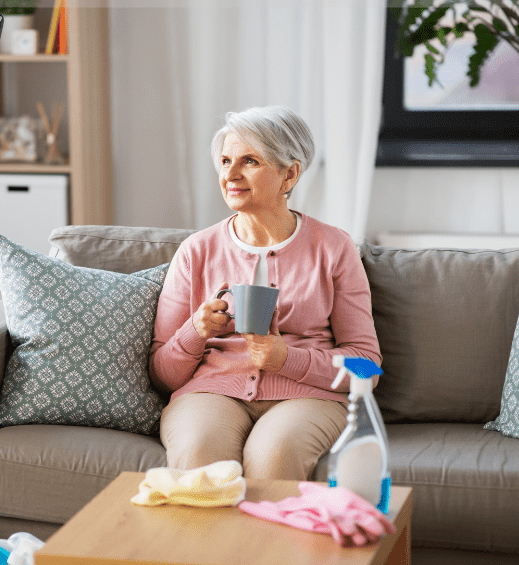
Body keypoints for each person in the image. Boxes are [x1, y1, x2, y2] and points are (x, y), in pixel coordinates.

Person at [149, 105, 381, 481]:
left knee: (274, 457)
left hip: (308, 396)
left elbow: (366, 368)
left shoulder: (334, 248)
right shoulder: (196, 250)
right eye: (225, 161)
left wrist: (287, 359)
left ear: (289, 173)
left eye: (250, 161)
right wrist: (197, 330)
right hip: (212, 393)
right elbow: (163, 375)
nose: (231, 174)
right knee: (199, 457)